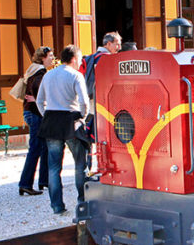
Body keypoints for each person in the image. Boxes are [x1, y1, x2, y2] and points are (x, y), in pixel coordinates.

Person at [37, 45, 90, 215]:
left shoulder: (48, 74)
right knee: (80, 164)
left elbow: (39, 100)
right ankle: (82, 201)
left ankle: (57, 205)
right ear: (74, 59)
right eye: (80, 58)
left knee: (53, 167)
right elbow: (84, 102)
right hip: (70, 119)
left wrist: (46, 114)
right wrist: (82, 116)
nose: (81, 62)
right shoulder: (76, 75)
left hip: (52, 119)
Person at [18, 46, 52, 196]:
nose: (52, 58)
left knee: (43, 147)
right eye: (50, 56)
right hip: (36, 113)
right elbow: (41, 94)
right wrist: (41, 100)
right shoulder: (40, 73)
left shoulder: (33, 71)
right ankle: (26, 183)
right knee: (36, 148)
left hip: (31, 112)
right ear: (43, 58)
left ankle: (44, 180)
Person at [83, 32, 121, 104]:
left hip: (91, 95)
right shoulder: (106, 58)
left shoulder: (94, 57)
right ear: (109, 44)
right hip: (101, 98)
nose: (120, 48)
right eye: (117, 44)